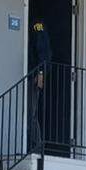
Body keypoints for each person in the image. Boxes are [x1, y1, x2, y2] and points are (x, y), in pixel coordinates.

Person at [28, 19, 53, 150]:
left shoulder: (37, 25)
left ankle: (37, 148)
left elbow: (44, 51)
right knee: (29, 113)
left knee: (31, 113)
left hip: (33, 76)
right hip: (28, 75)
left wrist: (41, 73)